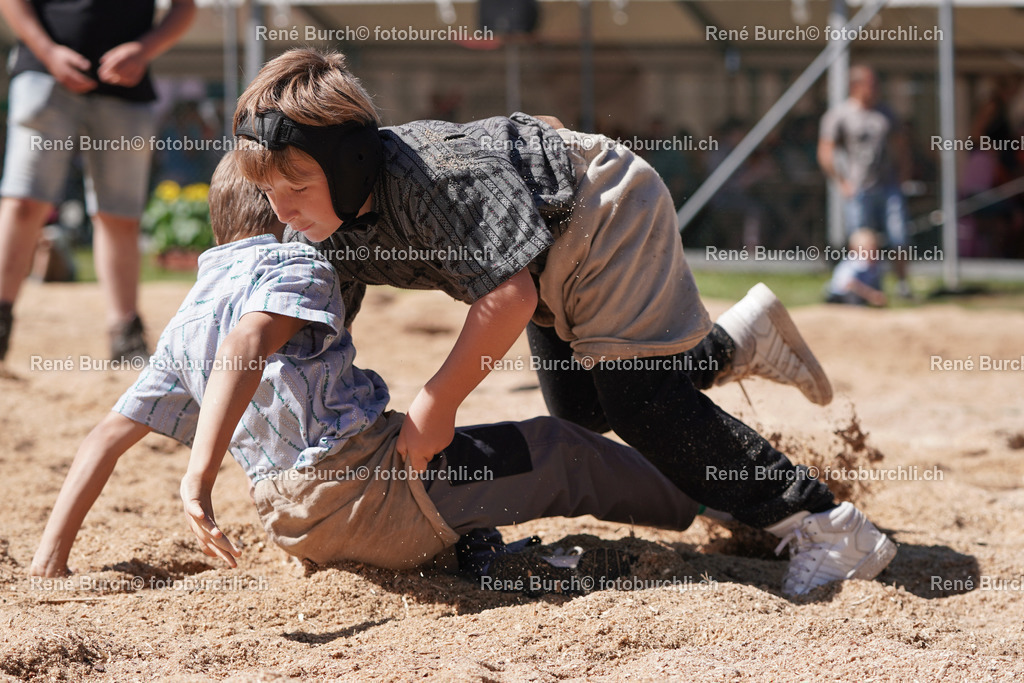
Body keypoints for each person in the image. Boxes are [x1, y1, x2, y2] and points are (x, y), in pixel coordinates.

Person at [230, 48, 896, 596]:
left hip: (599, 209)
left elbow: (507, 299)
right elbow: (316, 333)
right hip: (541, 256)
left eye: (296, 189)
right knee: (581, 410)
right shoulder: (327, 225)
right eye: (268, 194)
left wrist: (436, 401)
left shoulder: (435, 175)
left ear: (350, 165)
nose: (282, 211)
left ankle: (826, 522)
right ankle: (734, 342)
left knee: (640, 404)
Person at [31, 152, 713, 592]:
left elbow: (102, 440)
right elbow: (248, 339)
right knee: (562, 450)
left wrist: (50, 562)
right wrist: (198, 473)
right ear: (280, 210)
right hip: (372, 489)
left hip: (296, 524)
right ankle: (707, 501)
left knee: (471, 482)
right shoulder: (293, 261)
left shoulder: (182, 322)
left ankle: (480, 550)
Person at [0, 0, 197, 367]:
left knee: (120, 215)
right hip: (43, 71)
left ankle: (125, 334)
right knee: (24, 201)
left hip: (126, 86)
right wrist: (47, 52)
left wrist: (143, 49)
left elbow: (184, 7)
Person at [818, 64, 912, 299]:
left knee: (898, 236)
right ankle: (864, 287)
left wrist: (903, 175)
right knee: (862, 243)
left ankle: (902, 285)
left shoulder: (886, 113)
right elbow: (825, 151)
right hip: (858, 188)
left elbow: (901, 146)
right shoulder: (840, 114)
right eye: (871, 84)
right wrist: (841, 181)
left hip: (888, 185)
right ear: (856, 86)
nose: (876, 89)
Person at [826, 229, 887, 307]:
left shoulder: (875, 266)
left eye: (873, 249)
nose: (871, 252)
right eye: (866, 249)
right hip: (839, 295)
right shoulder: (854, 263)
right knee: (852, 296)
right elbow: (849, 285)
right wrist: (870, 295)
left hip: (859, 297)